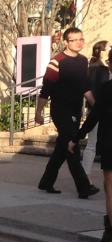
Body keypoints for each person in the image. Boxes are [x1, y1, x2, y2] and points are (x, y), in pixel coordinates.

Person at [35, 27, 99, 199]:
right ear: (66, 42)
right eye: (74, 40)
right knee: (72, 146)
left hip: (75, 110)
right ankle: (84, 187)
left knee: (63, 148)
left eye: (81, 39)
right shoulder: (57, 62)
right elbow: (45, 90)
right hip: (60, 111)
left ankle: (46, 182)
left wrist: (97, 107)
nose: (78, 42)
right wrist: (38, 113)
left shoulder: (82, 61)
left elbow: (84, 86)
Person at [69, 47, 112, 242]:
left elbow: (94, 116)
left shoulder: (107, 89)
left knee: (110, 188)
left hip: (111, 142)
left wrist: (76, 137)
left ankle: (111, 234)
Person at [82, 40, 111, 177]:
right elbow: (95, 91)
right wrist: (97, 107)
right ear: (102, 51)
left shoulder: (95, 68)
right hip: (100, 111)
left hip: (98, 110)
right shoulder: (100, 70)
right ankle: (84, 178)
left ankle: (84, 177)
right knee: (92, 145)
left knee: (91, 145)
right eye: (109, 47)